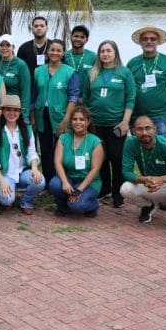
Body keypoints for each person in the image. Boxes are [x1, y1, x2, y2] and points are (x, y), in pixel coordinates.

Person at [80, 40, 136, 208]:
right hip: (96, 124)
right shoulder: (92, 73)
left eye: (108, 50)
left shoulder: (124, 72)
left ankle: (118, 193)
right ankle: (104, 189)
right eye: (102, 51)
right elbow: (86, 98)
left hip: (116, 124)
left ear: (115, 53)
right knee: (100, 158)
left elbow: (131, 98)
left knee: (116, 158)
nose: (105, 54)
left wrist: (126, 121)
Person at [0, 95, 45, 214]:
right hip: (5, 174)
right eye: (8, 109)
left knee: (40, 181)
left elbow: (32, 152)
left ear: (19, 112)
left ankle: (26, 201)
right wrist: (1, 181)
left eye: (15, 110)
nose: (11, 113)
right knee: (7, 199)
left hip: (22, 172)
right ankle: (4, 198)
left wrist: (34, 169)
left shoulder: (27, 129)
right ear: (2, 111)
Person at [33, 40, 80, 182]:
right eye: (52, 50)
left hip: (61, 115)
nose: (55, 53)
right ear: (48, 51)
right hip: (42, 114)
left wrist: (66, 120)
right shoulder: (38, 71)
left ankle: (63, 180)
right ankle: (48, 181)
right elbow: (34, 96)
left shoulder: (70, 72)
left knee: (61, 150)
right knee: (46, 149)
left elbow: (73, 97)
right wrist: (33, 116)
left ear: (63, 53)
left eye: (58, 50)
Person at [49, 106, 104, 217]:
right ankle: (63, 207)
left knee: (77, 206)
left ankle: (93, 205)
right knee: (55, 184)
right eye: (75, 119)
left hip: (88, 182)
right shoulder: (63, 138)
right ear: (71, 121)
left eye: (81, 119)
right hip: (69, 178)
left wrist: (79, 189)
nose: (77, 122)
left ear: (88, 122)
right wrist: (64, 182)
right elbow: (57, 162)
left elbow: (95, 169)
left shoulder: (96, 142)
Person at [126, 25, 166, 138]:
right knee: (138, 151)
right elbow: (127, 91)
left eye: (152, 39)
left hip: (160, 116)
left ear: (158, 41)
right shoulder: (132, 63)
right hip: (137, 116)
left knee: (161, 151)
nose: (148, 41)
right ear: (140, 42)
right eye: (145, 39)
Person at [0, 35, 31, 121]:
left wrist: (24, 116)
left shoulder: (21, 65)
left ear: (13, 47)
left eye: (8, 45)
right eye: (2, 45)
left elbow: (26, 92)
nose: (4, 48)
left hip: (14, 110)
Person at [16, 15, 53, 83]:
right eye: (36, 26)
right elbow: (18, 69)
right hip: (30, 85)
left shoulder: (53, 46)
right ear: (32, 29)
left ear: (47, 28)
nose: (39, 28)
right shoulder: (24, 48)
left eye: (42, 26)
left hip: (50, 84)